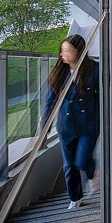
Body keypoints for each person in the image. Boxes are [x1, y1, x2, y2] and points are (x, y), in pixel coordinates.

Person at [44, 34, 101, 209]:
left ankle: (92, 174)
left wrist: (102, 119)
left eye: (67, 50)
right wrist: (43, 132)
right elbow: (49, 103)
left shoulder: (94, 69)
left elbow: (102, 96)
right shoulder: (58, 74)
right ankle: (75, 199)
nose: (63, 54)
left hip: (88, 124)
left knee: (82, 161)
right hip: (66, 126)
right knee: (69, 166)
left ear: (78, 51)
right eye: (62, 51)